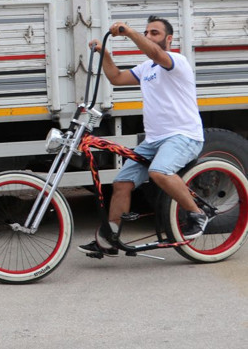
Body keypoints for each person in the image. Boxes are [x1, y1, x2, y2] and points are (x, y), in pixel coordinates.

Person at [78, 16, 208, 257]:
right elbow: (116, 78)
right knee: (121, 184)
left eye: (155, 33)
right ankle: (110, 238)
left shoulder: (176, 61)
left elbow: (157, 55)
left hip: (183, 136)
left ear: (169, 39)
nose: (149, 36)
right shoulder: (146, 69)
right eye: (147, 33)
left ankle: (197, 214)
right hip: (153, 141)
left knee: (158, 172)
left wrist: (129, 32)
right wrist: (105, 54)